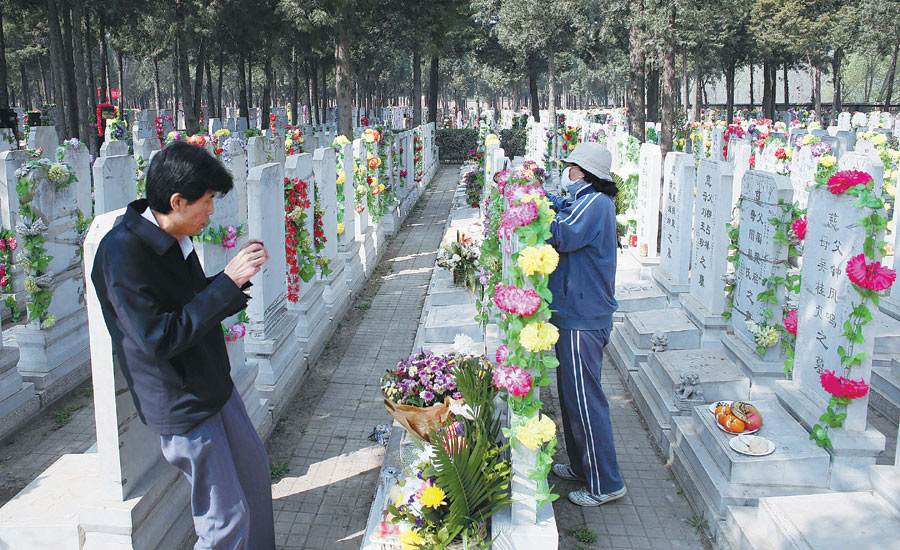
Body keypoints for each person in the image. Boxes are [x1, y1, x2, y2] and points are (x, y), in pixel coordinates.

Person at [91, 141, 276, 549]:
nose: (211, 210)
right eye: (207, 201)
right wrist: (225, 283)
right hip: (181, 398)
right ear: (177, 201)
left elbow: (191, 303)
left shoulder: (172, 234)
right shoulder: (122, 255)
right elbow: (158, 338)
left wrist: (233, 280)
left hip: (212, 381)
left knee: (255, 473)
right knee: (225, 519)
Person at [545, 142, 626, 507]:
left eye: (573, 167)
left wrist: (531, 211)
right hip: (573, 311)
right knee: (571, 397)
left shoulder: (596, 203)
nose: (568, 171)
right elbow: (564, 211)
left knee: (586, 399)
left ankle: (606, 483)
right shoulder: (585, 201)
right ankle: (582, 465)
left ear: (586, 172)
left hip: (583, 316)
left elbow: (561, 235)